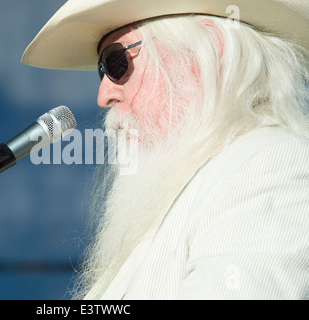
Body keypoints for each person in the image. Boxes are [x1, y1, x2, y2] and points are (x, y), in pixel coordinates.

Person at [22, 0, 309, 299]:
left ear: (211, 50)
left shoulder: (271, 166)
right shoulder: (194, 192)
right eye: (102, 71)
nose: (103, 95)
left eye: (117, 63)